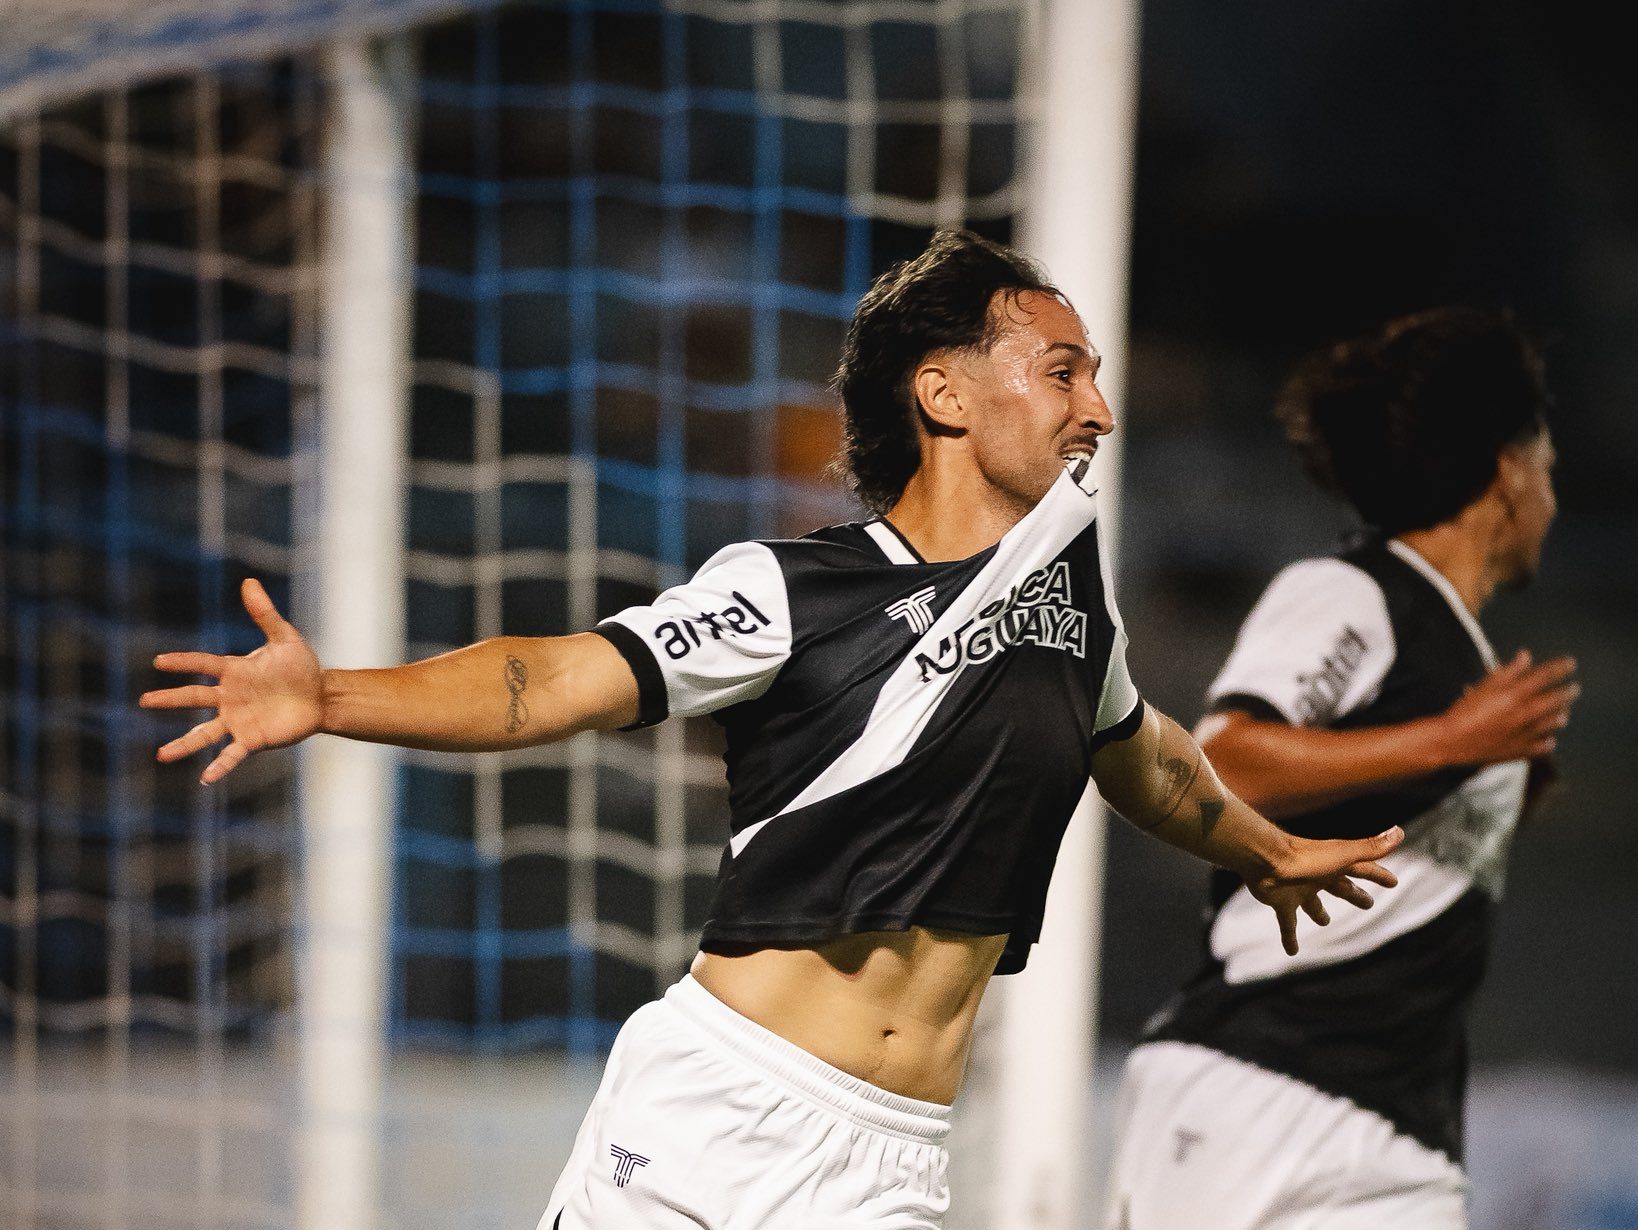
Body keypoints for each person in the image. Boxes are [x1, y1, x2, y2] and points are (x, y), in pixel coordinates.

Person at [142, 231, 1402, 1230]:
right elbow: (554, 680)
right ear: (944, 391)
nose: (1098, 412)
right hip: (712, 1106)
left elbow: (1147, 755)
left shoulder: (1076, 607)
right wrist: (333, 697)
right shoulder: (793, 590)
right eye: (1064, 372)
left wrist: (1258, 847)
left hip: (887, 1166)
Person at [1102, 306, 1577, 1230]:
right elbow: (1225, 760)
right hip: (1262, 1086)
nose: (1553, 490)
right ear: (1510, 475)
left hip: (1400, 1132)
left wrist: (1478, 769)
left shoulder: (1465, 663)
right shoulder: (1353, 590)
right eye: (1549, 462)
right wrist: (1448, 746)